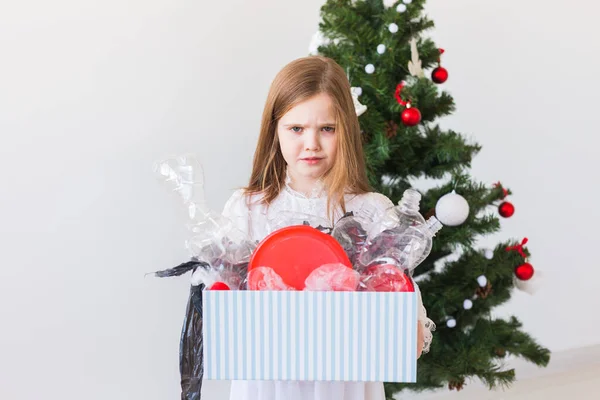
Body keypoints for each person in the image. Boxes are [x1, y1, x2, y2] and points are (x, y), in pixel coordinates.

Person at [222, 55, 434, 400]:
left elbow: (405, 312)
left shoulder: (372, 210)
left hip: (346, 382)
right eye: (296, 129)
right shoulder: (248, 208)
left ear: (346, 130)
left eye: (327, 129)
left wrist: (410, 326)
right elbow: (221, 304)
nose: (311, 144)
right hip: (267, 382)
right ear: (274, 131)